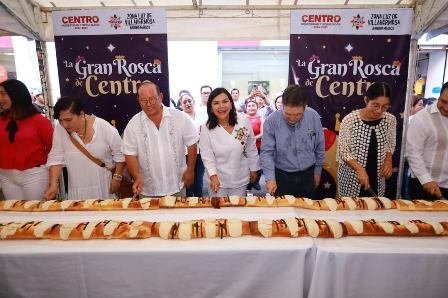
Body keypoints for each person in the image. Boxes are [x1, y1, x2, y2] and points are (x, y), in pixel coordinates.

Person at [123, 81, 198, 197]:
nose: (148, 104)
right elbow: (129, 153)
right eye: (143, 100)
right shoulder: (133, 124)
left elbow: (192, 144)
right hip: (147, 190)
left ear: (161, 97)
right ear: (138, 100)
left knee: (178, 215)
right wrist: (137, 177)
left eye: (152, 99)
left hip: (177, 186)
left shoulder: (180, 117)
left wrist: (190, 170)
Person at [44, 96, 125, 200]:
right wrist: (53, 184)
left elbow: (120, 154)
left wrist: (117, 178)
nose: (64, 124)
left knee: (104, 215)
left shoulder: (103, 127)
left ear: (81, 114)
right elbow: (55, 158)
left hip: (103, 187)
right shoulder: (60, 130)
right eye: (60, 120)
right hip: (77, 191)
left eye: (68, 120)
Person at [260, 85, 325, 198]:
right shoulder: (271, 121)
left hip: (308, 174)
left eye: (298, 114)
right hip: (282, 176)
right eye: (288, 114)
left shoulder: (313, 116)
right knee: (283, 212)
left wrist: (317, 171)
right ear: (283, 105)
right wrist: (270, 178)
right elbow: (266, 153)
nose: (293, 118)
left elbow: (319, 145)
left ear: (305, 107)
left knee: (307, 211)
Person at [337, 82, 396, 197]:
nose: (379, 110)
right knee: (352, 209)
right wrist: (359, 169)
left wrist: (388, 160)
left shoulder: (390, 120)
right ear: (366, 100)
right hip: (352, 178)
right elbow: (343, 151)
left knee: (375, 208)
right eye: (375, 105)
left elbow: (390, 143)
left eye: (385, 106)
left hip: (377, 177)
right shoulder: (350, 120)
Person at [199, 87, 260, 197]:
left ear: (231, 104)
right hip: (217, 180)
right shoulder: (206, 128)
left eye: (225, 101)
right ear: (211, 108)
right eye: (216, 103)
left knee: (237, 211)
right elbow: (207, 155)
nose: (221, 106)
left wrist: (254, 168)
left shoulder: (243, 121)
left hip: (240, 178)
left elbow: (251, 147)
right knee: (219, 212)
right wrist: (213, 176)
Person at [0, 79, 53, 200]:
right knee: (15, 213)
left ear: (16, 94)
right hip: (6, 175)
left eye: (3, 94)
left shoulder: (39, 121)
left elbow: (53, 149)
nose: (0, 98)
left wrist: (53, 179)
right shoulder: (1, 120)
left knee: (35, 212)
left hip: (34, 174)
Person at [406, 82, 448, 200]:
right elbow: (413, 153)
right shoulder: (422, 118)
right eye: (443, 101)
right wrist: (426, 180)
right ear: (439, 96)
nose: (446, 108)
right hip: (424, 184)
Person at [180, 92, 205, 197]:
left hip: (201, 152)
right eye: (184, 102)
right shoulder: (180, 117)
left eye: (189, 101)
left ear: (194, 102)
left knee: (199, 180)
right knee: (189, 179)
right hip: (186, 154)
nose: (187, 103)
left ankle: (200, 202)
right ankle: (189, 204)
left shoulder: (202, 116)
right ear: (181, 105)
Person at [245, 99, 263, 190]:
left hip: (258, 147)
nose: (251, 107)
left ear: (257, 107)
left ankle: (255, 182)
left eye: (253, 105)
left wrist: (252, 139)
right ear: (246, 108)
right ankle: (247, 184)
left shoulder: (261, 118)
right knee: (246, 167)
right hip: (244, 148)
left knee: (257, 167)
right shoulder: (242, 118)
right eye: (249, 106)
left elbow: (262, 133)